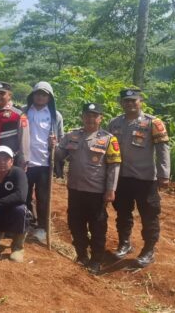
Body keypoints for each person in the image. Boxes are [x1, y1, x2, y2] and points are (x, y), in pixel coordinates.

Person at [107, 88, 170, 267]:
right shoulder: (115, 123)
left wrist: (164, 174)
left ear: (140, 101)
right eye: (126, 101)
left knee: (149, 215)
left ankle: (148, 249)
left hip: (145, 179)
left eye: (133, 101)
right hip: (122, 178)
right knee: (123, 213)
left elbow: (163, 149)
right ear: (121, 103)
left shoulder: (153, 123)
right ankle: (124, 243)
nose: (130, 104)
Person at [56, 103, 121, 273]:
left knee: (97, 226)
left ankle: (96, 259)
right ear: (82, 117)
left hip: (96, 191)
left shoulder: (109, 139)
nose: (90, 119)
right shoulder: (72, 136)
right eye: (87, 115)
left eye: (94, 115)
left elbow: (114, 167)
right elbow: (59, 154)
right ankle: (81, 254)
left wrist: (110, 189)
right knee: (75, 223)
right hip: (75, 189)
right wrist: (53, 145)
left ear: (101, 118)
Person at [20, 82, 64, 243]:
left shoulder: (55, 115)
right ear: (32, 95)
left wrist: (55, 144)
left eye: (44, 95)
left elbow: (61, 139)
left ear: (49, 98)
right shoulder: (24, 112)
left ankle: (42, 227)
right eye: (38, 94)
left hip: (45, 162)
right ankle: (26, 223)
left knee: (43, 197)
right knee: (24, 194)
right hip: (25, 161)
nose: (40, 97)